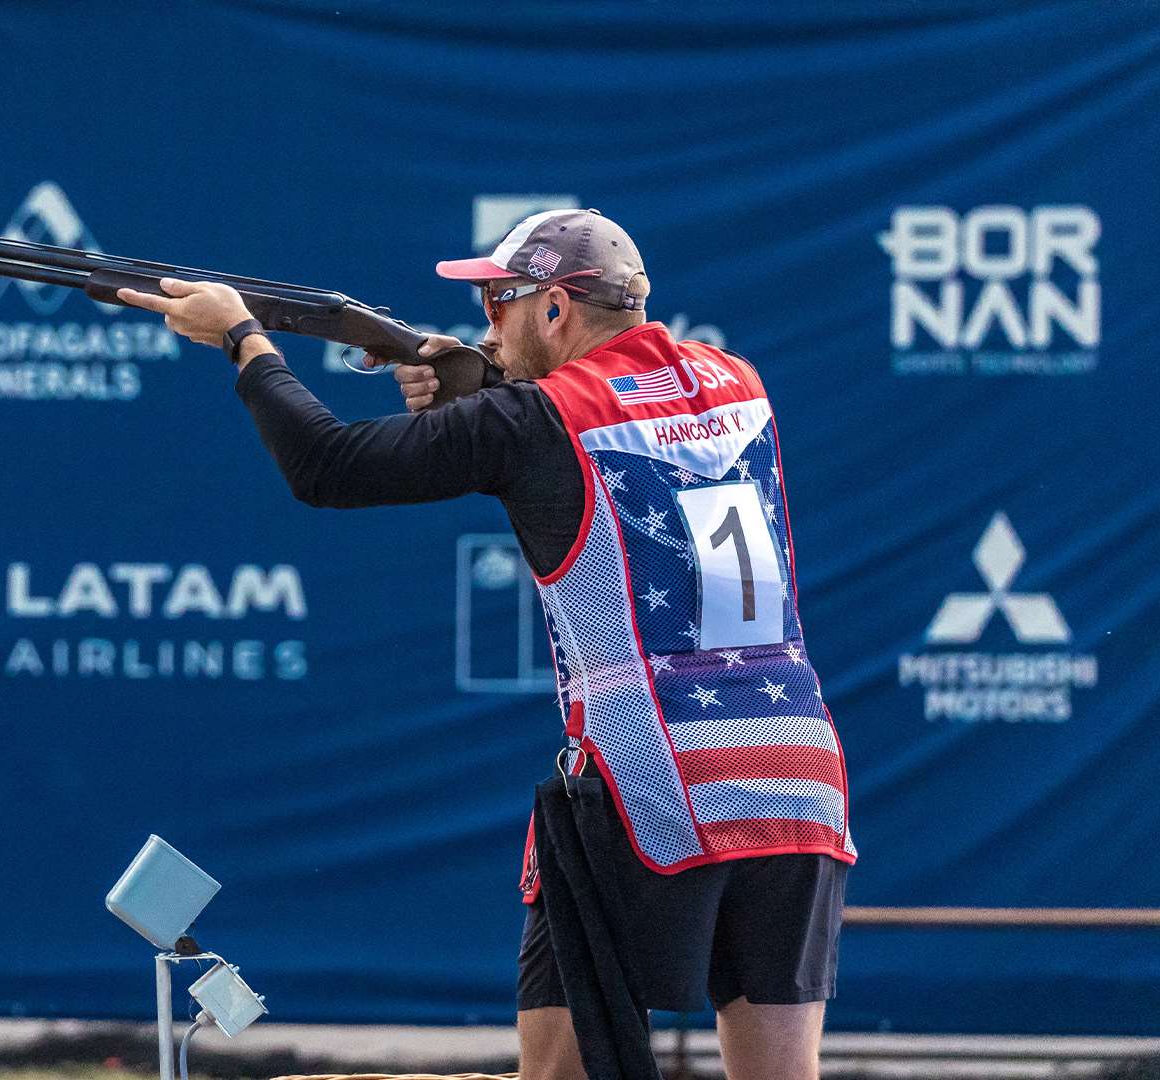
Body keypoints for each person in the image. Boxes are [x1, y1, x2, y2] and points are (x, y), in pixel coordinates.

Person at [117, 208, 855, 1080]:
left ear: (554, 308)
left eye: (496, 306)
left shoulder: (534, 420)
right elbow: (618, 460)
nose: (483, 328)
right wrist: (483, 394)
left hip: (650, 772)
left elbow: (327, 467)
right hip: (795, 768)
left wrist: (243, 340)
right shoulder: (737, 381)